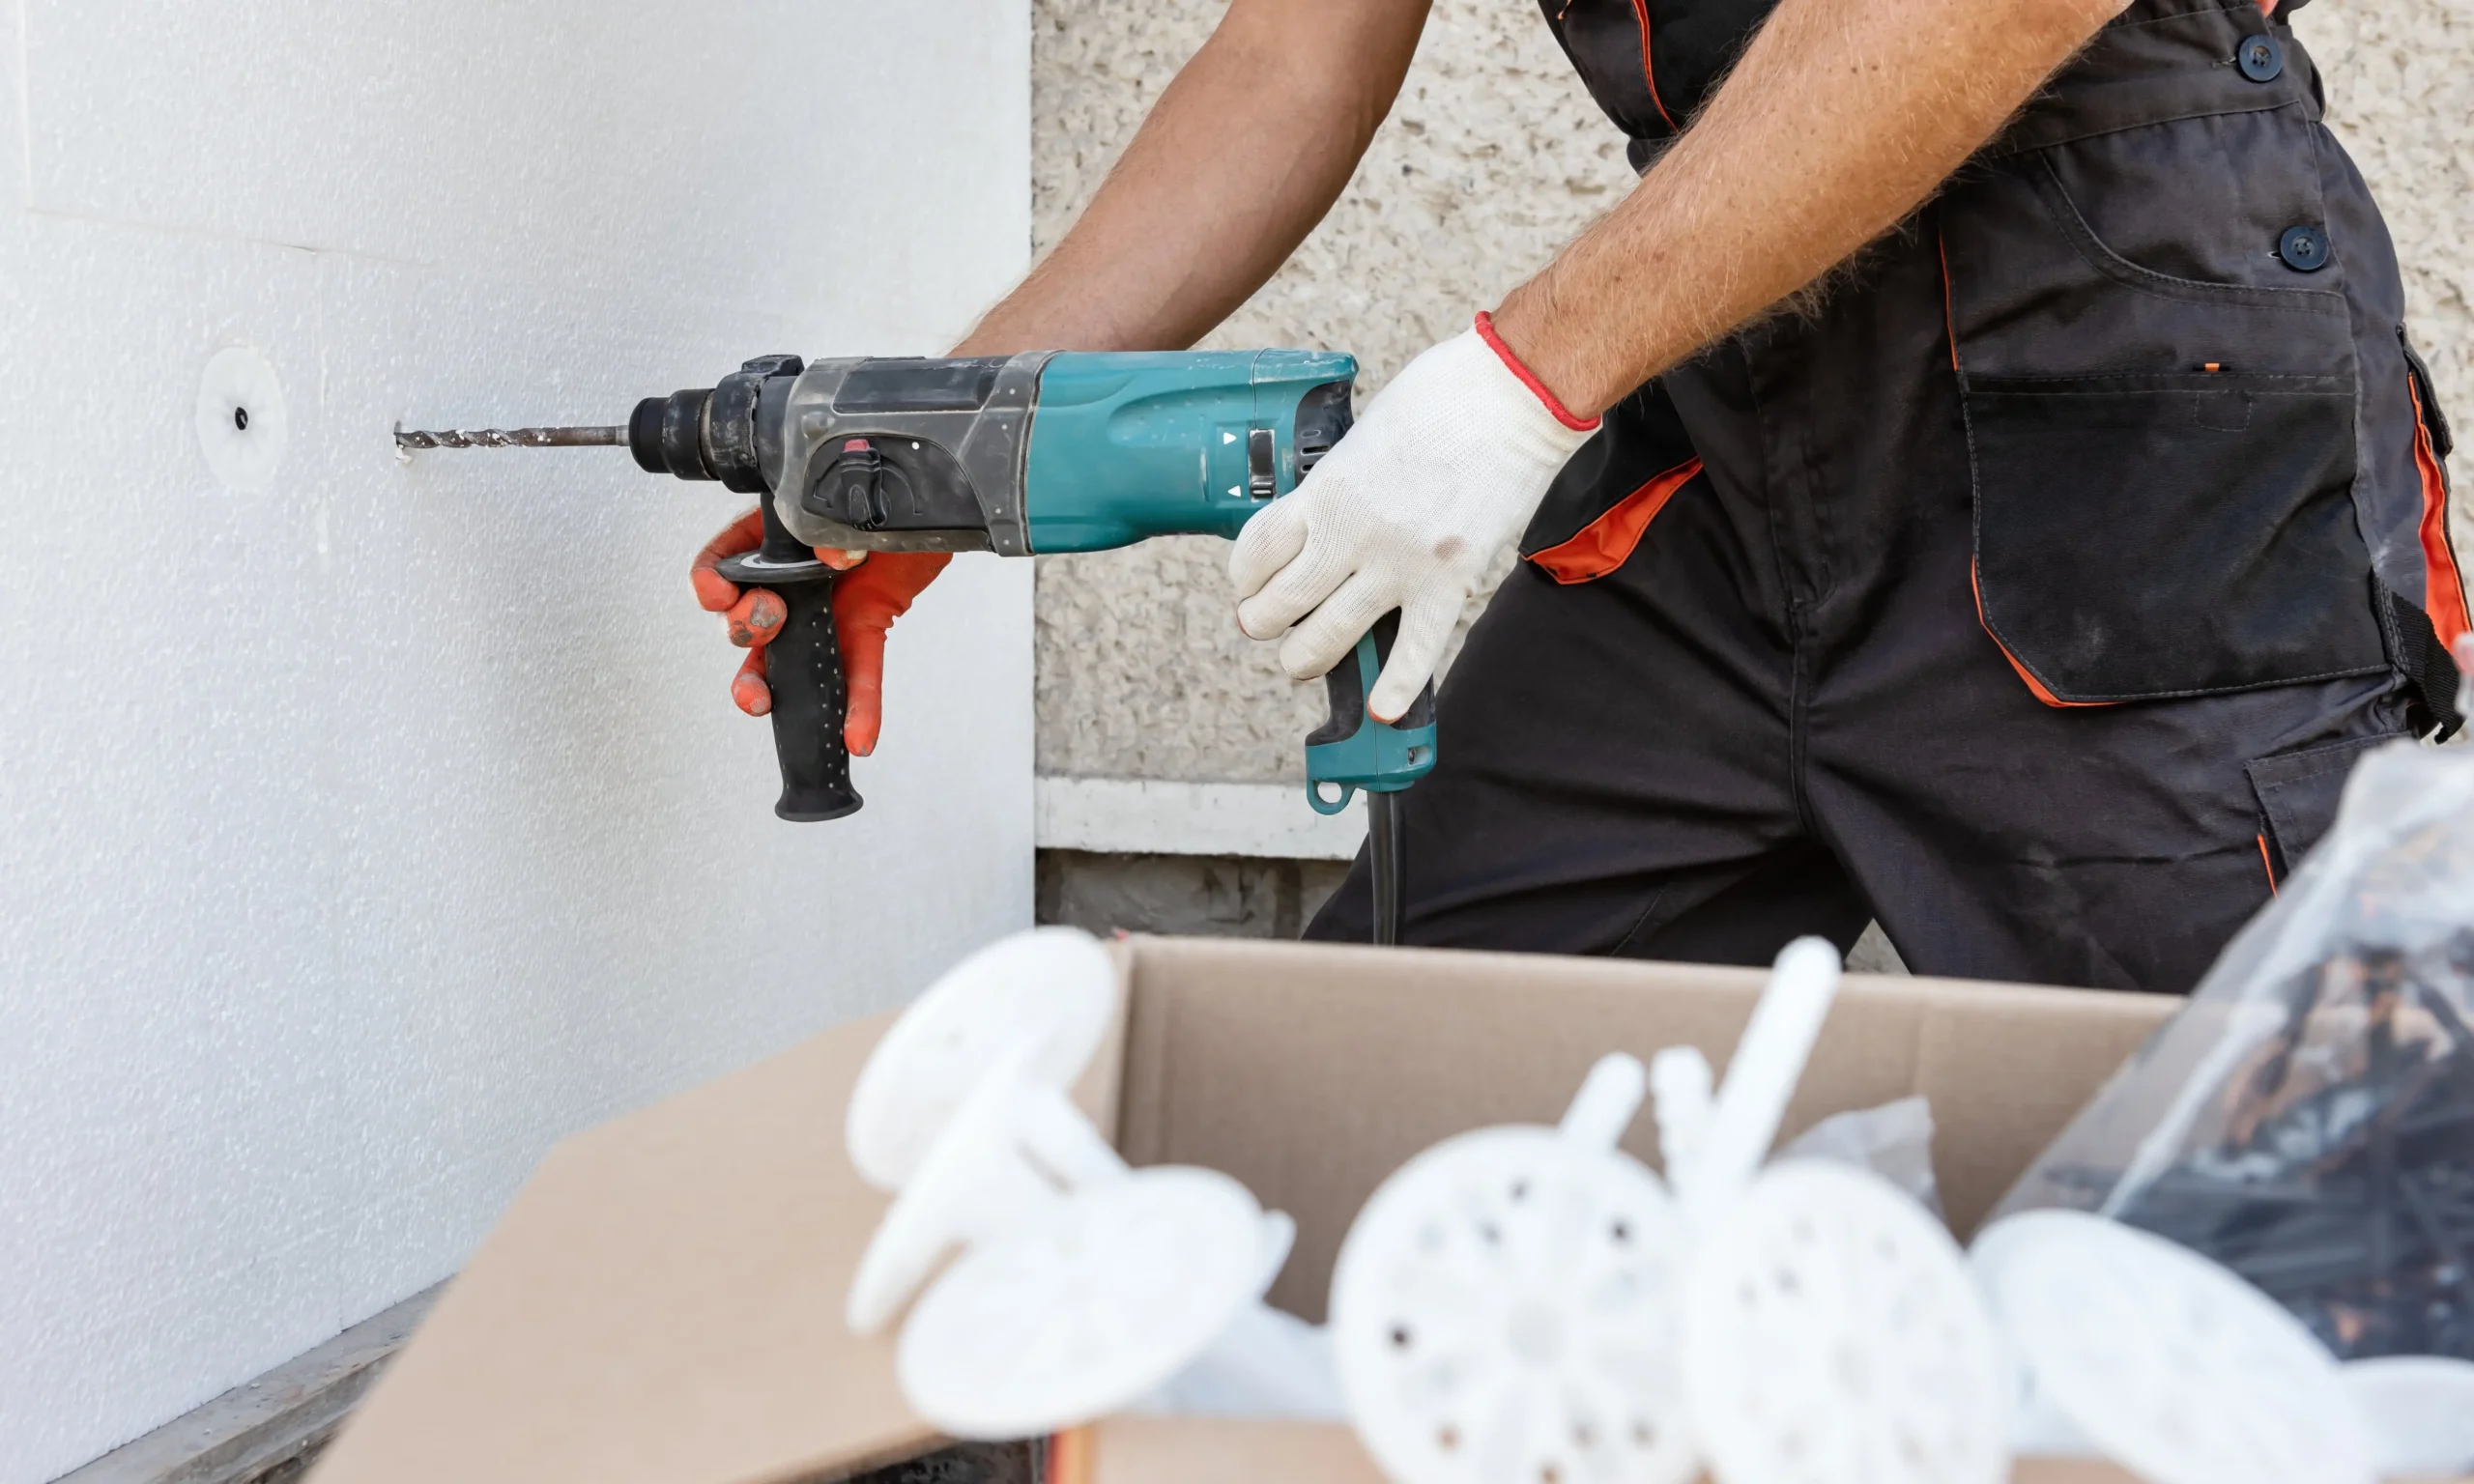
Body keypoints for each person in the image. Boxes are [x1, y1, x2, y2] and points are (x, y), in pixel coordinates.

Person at [691, 0, 2466, 993]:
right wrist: (933, 460)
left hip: (2135, 420)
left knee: (2263, 1215)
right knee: (1391, 1112)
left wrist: (1523, 375)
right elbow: (1293, 58)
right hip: (1739, 413)